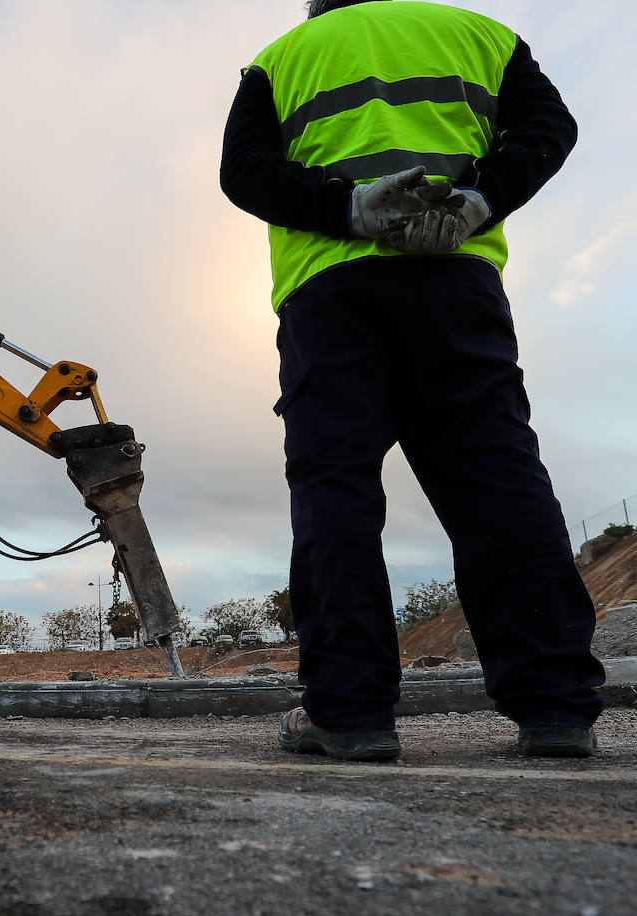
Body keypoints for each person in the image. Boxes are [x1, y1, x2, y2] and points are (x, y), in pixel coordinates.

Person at [220, 0, 604, 760]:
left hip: (330, 290)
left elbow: (245, 173)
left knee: (336, 490)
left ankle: (349, 712)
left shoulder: (282, 57)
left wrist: (348, 208)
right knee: (496, 476)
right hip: (454, 285)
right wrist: (477, 201)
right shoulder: (482, 37)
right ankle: (555, 706)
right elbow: (548, 131)